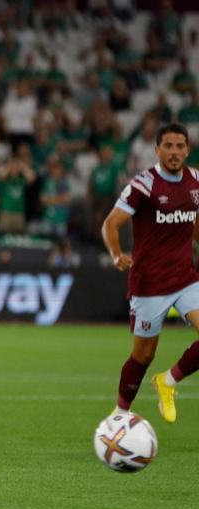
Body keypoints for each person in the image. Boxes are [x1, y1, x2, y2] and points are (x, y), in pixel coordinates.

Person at [101, 122, 199, 424]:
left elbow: (195, 223)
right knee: (143, 355)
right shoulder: (144, 184)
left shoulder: (195, 180)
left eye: (179, 146)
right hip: (149, 284)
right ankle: (120, 414)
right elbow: (110, 223)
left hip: (185, 277)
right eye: (167, 146)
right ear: (157, 150)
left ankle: (168, 381)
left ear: (187, 150)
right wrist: (117, 254)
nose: (174, 152)